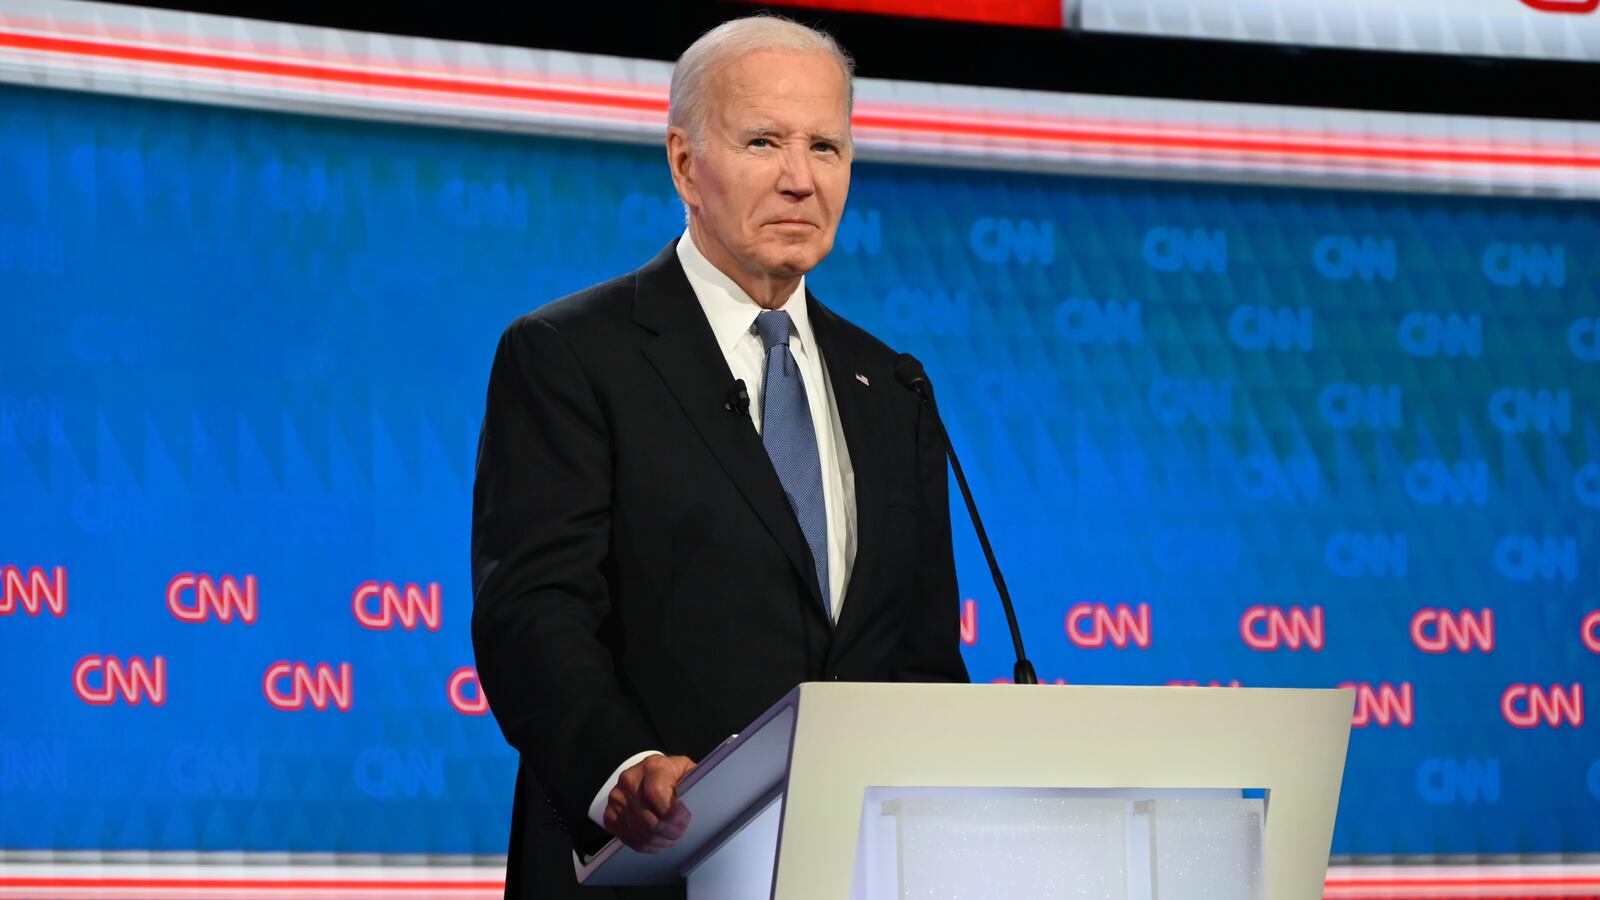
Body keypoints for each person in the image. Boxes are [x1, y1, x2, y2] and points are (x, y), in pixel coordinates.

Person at [470, 14, 969, 899]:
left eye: (826, 147)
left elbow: (920, 658)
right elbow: (533, 613)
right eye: (763, 141)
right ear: (684, 164)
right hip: (647, 870)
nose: (799, 180)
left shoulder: (891, 386)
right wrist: (621, 767)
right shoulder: (572, 356)